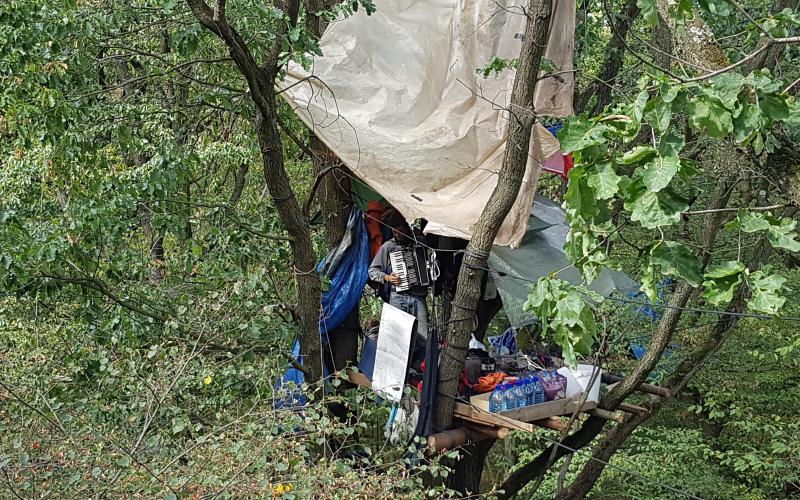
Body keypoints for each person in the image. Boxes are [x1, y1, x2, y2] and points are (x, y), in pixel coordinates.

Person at [368, 208, 429, 371]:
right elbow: (372, 271)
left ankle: (419, 370)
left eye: (399, 230)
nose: (397, 234)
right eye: (394, 231)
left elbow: (430, 261)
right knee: (397, 335)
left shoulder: (419, 243)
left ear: (406, 227)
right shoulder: (389, 247)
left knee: (423, 336)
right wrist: (387, 278)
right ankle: (396, 372)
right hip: (398, 296)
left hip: (419, 296)